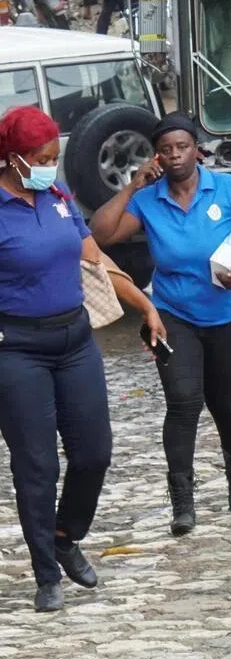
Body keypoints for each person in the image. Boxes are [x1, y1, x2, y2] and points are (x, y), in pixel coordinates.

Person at [0, 106, 164, 612]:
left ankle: (66, 534)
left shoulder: (57, 196)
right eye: (42, 158)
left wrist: (145, 304)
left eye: (55, 156)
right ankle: (46, 574)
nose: (51, 165)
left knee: (94, 452)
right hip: (17, 349)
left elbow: (95, 259)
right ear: (13, 158)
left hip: (73, 340)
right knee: (37, 466)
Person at [90, 113, 231, 536]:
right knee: (182, 402)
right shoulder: (149, 198)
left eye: (182, 147)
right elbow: (99, 236)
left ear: (197, 149)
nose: (175, 156)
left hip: (225, 314)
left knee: (226, 403)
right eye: (167, 149)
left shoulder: (228, 189)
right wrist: (132, 186)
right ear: (158, 154)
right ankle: (183, 502)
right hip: (173, 315)